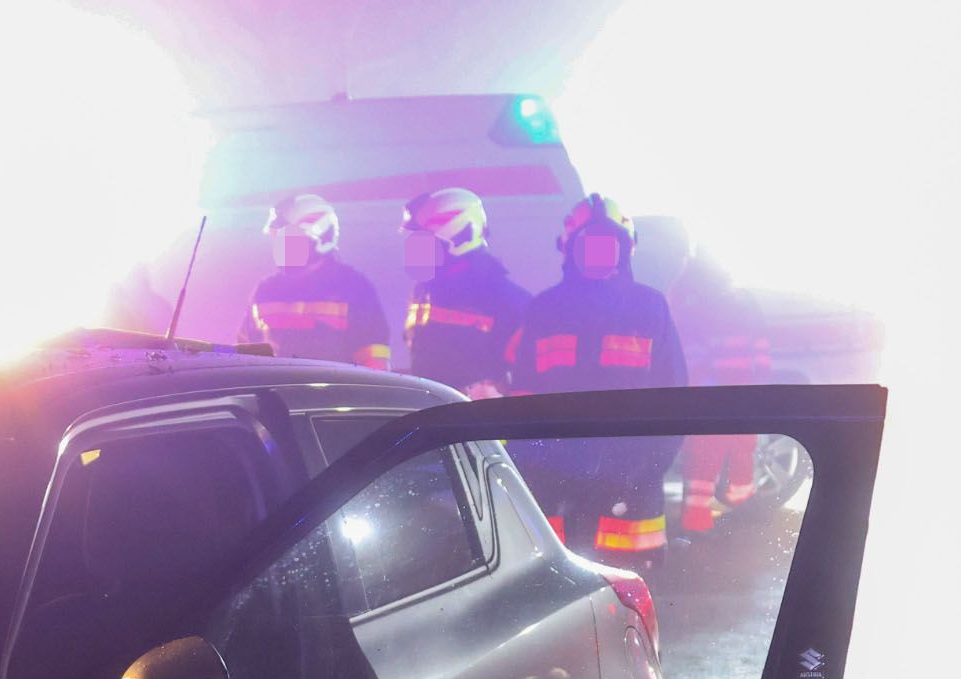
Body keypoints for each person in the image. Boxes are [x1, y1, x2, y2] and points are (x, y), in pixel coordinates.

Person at [505, 194, 687, 555]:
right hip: (552, 481)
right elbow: (522, 397)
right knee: (554, 587)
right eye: (589, 246)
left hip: (632, 485)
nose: (599, 255)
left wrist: (646, 469)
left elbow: (675, 398)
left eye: (609, 245)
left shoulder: (651, 307)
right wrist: (532, 467)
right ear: (569, 250)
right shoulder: (542, 309)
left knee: (629, 596)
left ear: (626, 250)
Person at [667, 245, 773, 535]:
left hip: (718, 394)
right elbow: (760, 348)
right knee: (725, 451)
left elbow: (689, 349)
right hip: (731, 393)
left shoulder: (695, 300)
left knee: (708, 454)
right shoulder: (735, 300)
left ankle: (701, 518)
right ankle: (724, 511)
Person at [399, 187, 528, 397]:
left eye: (427, 241)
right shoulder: (423, 291)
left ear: (459, 236)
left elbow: (528, 378)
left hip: (479, 423)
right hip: (428, 414)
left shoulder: (507, 300)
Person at [240, 193, 392, 369]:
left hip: (335, 396)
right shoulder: (265, 291)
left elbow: (374, 365)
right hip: (276, 396)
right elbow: (244, 356)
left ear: (319, 239)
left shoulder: (354, 289)